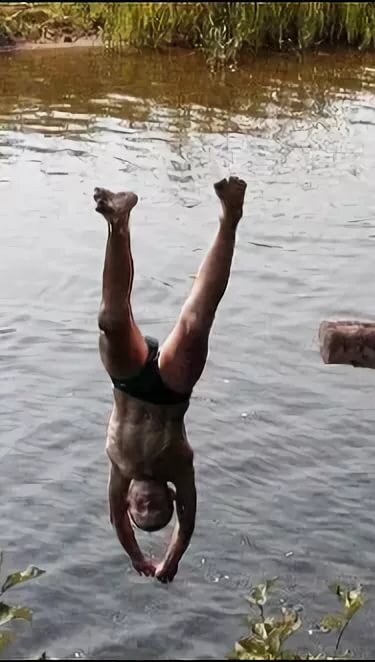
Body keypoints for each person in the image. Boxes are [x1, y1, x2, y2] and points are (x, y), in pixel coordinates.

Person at [93, 177, 247, 583]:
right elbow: (189, 522)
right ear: (169, 499)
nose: (145, 506)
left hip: (126, 383)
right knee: (196, 322)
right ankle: (230, 217)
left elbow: (116, 520)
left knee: (110, 321)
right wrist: (171, 559)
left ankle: (118, 221)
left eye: (138, 511)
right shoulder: (180, 470)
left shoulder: (119, 471)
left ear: (128, 501)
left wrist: (135, 557)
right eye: (155, 510)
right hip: (170, 391)